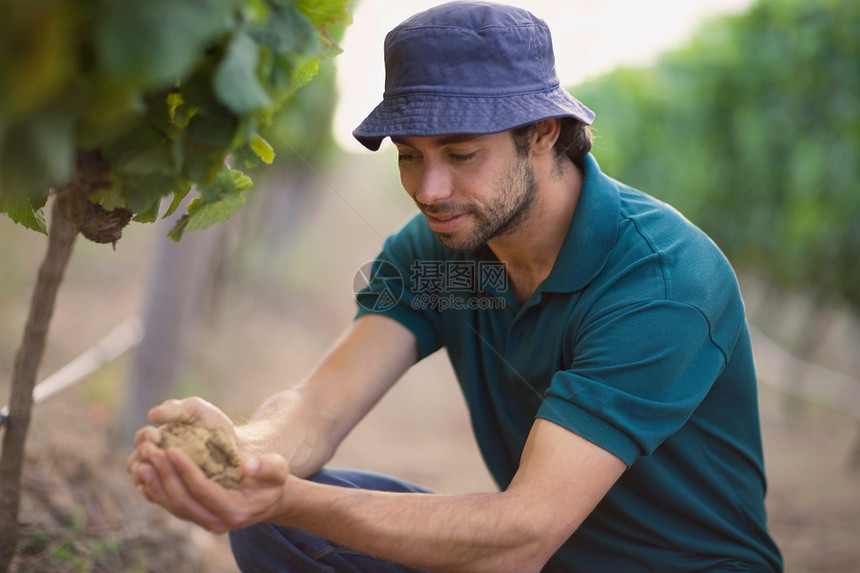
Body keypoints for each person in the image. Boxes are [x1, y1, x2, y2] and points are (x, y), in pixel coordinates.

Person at [127, 2, 783, 571]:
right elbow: (320, 405)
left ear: (542, 133)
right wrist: (239, 455)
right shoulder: (442, 252)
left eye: (461, 154)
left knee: (293, 510)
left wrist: (286, 495)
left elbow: (524, 533)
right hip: (543, 559)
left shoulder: (659, 279)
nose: (430, 191)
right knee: (277, 526)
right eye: (410, 155)